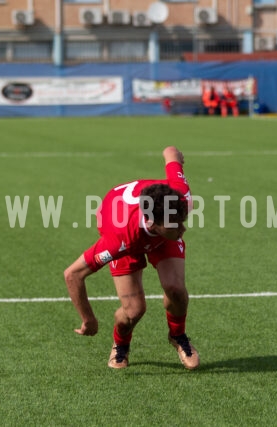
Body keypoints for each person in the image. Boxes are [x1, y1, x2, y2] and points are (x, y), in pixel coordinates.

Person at [63, 146, 200, 370]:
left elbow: (170, 152)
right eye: (176, 224)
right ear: (151, 222)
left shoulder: (180, 198)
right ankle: (121, 343)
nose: (183, 229)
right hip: (125, 230)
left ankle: (178, 335)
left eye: (182, 221)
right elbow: (73, 274)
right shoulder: (119, 239)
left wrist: (176, 156)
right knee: (134, 310)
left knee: (175, 289)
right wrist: (88, 319)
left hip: (157, 233)